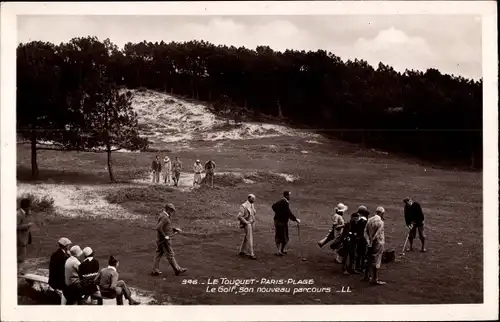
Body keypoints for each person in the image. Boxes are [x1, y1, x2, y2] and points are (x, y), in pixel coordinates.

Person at [151, 203, 187, 276]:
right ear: (167, 209)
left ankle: (155, 270)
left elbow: (165, 227)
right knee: (170, 254)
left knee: (158, 253)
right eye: (171, 210)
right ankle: (177, 270)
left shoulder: (163, 215)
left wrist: (174, 229)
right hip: (164, 240)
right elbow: (158, 227)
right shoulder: (164, 217)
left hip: (160, 239)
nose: (172, 212)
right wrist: (165, 236)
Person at [271, 191, 301, 256]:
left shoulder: (283, 202)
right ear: (286, 195)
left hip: (280, 221)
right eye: (289, 195)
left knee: (284, 236)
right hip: (280, 222)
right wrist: (295, 219)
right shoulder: (284, 202)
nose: (290, 196)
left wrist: (279, 213)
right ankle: (279, 251)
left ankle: (281, 250)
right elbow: (288, 213)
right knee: (281, 236)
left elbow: (274, 206)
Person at [363, 206, 387, 285]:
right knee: (376, 260)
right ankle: (374, 279)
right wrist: (372, 240)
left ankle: (366, 276)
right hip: (378, 243)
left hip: (369, 242)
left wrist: (368, 241)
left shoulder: (369, 219)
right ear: (381, 213)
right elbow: (377, 234)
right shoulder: (380, 222)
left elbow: (365, 232)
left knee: (368, 258)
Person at [237, 194, 257, 260]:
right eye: (252, 198)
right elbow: (239, 216)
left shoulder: (252, 204)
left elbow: (252, 214)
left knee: (247, 236)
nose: (254, 199)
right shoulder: (243, 206)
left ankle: (242, 251)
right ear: (249, 198)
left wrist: (253, 221)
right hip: (247, 224)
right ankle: (252, 254)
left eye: (254, 198)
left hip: (250, 223)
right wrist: (246, 222)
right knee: (250, 237)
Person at [17, 198, 34, 274]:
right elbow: (15, 226)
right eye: (29, 206)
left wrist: (27, 214)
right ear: (26, 207)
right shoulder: (18, 214)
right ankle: (18, 272)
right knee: (20, 257)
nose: (30, 208)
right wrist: (27, 225)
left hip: (23, 239)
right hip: (19, 239)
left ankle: (19, 271)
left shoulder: (24, 213)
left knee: (22, 256)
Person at [353, 206, 369, 272]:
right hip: (363, 238)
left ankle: (357, 267)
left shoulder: (357, 219)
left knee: (358, 253)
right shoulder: (364, 220)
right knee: (363, 254)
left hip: (357, 238)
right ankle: (362, 267)